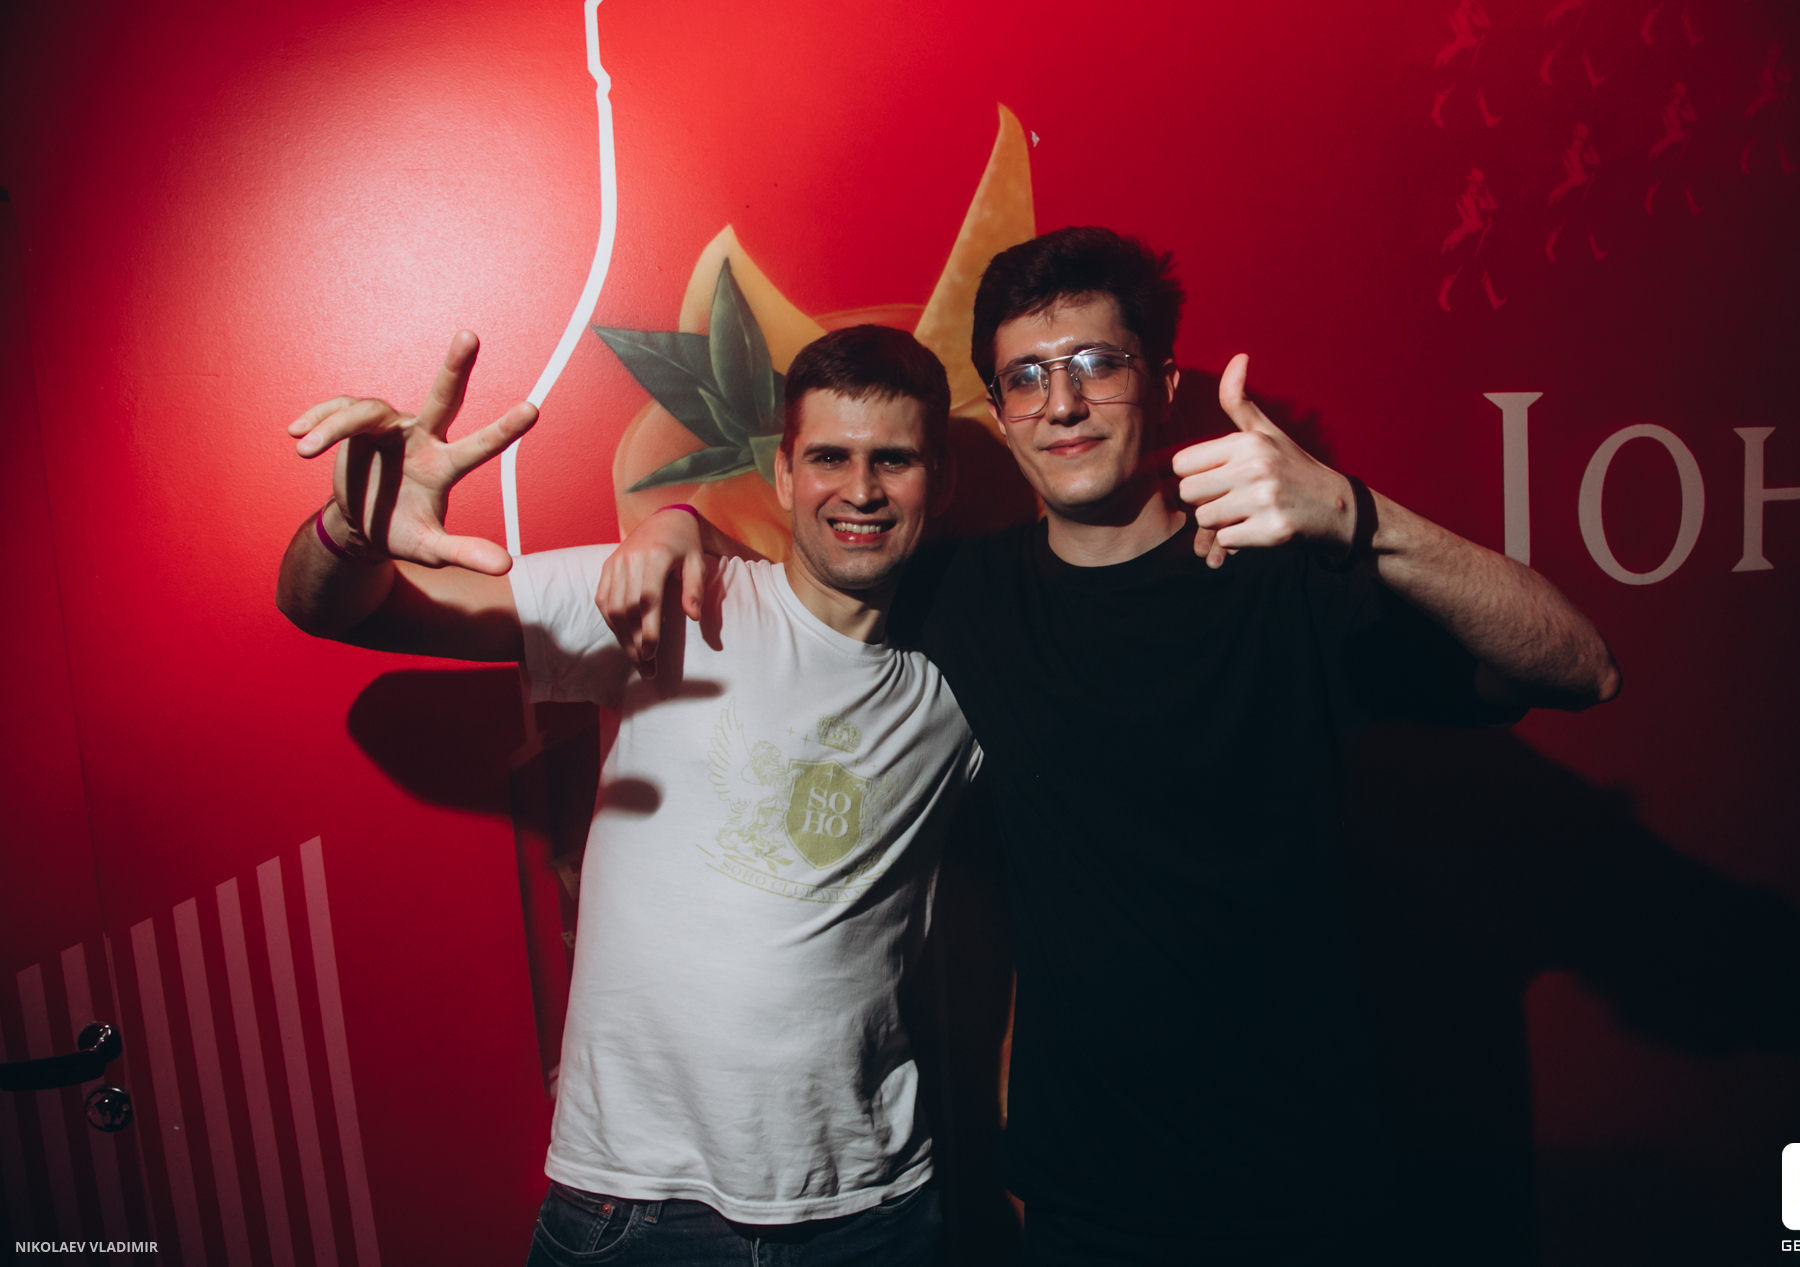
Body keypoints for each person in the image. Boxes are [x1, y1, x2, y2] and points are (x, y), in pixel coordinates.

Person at [603, 226, 1620, 1264]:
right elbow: (817, 552)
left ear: (1162, 384)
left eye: (1097, 363)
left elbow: (1579, 666)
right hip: (1087, 1201)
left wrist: (1355, 513)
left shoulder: (1283, 577)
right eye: (1027, 378)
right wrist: (676, 523)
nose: (1063, 403)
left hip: (1309, 1186)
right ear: (998, 415)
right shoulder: (963, 594)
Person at [275, 324, 982, 1266]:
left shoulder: (968, 679)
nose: (860, 489)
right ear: (783, 473)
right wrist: (351, 535)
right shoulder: (671, 598)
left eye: (892, 459)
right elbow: (331, 609)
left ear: (940, 478)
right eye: (829, 457)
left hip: (867, 1211)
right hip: (634, 1209)